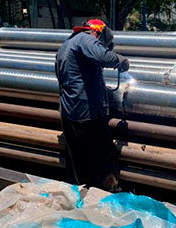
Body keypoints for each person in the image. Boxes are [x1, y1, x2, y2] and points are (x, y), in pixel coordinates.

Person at [55, 19, 129, 191]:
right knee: (102, 154)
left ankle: (82, 193)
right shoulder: (86, 39)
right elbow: (103, 56)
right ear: (98, 32)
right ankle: (108, 192)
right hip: (86, 112)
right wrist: (120, 60)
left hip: (69, 111)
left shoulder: (67, 44)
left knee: (79, 157)